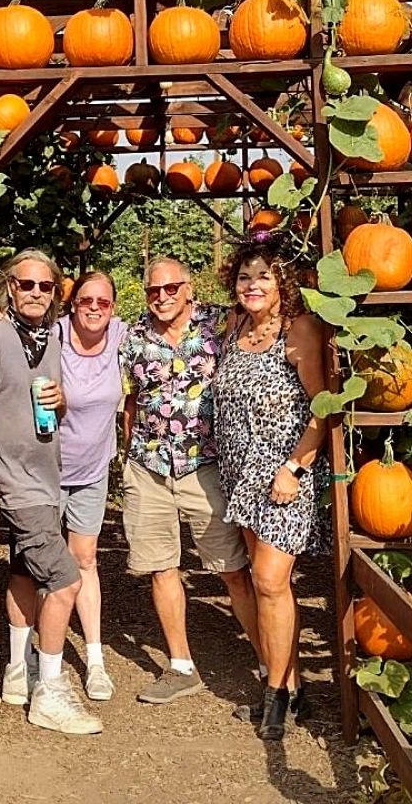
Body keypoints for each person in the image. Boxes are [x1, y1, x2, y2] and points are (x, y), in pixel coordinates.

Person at [120, 256, 263, 704]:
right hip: (149, 466)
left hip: (207, 467)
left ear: (189, 288)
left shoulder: (222, 325)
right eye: (152, 291)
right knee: (162, 566)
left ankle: (269, 659)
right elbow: (129, 401)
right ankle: (181, 665)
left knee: (233, 570)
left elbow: (271, 319)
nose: (160, 298)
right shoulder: (133, 336)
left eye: (169, 289)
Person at [213, 233, 328, 740]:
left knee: (269, 581)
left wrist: (295, 468)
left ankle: (275, 693)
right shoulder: (234, 326)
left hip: (284, 476)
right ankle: (293, 685)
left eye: (263, 277)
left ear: (283, 283)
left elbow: (321, 411)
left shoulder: (298, 331)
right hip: (240, 477)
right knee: (262, 584)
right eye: (244, 277)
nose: (252, 285)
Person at [0, 248, 102, 735]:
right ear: (9, 287)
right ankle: (50, 693)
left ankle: (18, 672)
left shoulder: (50, 337)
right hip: (15, 482)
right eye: (25, 284)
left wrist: (60, 401)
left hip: (44, 479)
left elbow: (43, 408)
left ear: (57, 293)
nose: (36, 293)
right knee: (64, 579)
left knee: (24, 571)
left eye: (45, 286)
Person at [56, 270, 125, 702]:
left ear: (113, 308)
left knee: (84, 559)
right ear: (72, 303)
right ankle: (32, 660)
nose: (94, 308)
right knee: (37, 563)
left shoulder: (121, 336)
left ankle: (95, 660)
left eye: (102, 301)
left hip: (92, 469)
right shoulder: (53, 335)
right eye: (86, 300)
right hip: (45, 470)